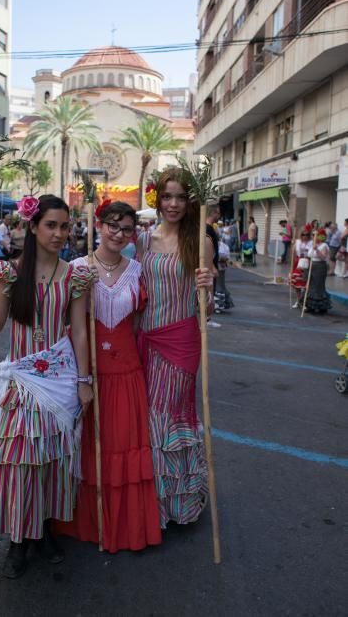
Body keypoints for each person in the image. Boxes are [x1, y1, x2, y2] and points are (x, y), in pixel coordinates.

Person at [0, 194, 93, 579]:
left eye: (64, 226)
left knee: (53, 460)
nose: (59, 233)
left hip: (61, 381)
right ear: (33, 227)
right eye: (51, 225)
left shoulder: (75, 276)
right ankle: (19, 540)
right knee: (19, 460)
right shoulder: (7, 272)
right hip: (19, 383)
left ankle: (46, 531)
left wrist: (85, 382)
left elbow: (81, 331)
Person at [59, 201, 162, 553]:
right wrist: (82, 379)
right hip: (91, 374)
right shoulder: (76, 268)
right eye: (112, 226)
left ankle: (125, 527)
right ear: (98, 225)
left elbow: (138, 323)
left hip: (128, 374)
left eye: (127, 229)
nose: (119, 234)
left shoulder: (139, 271)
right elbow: (69, 327)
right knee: (92, 447)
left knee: (123, 447)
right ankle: (91, 522)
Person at [136, 167, 214, 529]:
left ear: (190, 201)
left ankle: (176, 505)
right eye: (167, 196)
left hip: (181, 339)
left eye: (181, 197)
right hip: (145, 339)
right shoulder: (142, 240)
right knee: (148, 417)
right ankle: (151, 502)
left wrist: (207, 286)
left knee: (168, 417)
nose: (173, 204)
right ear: (157, 197)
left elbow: (208, 307)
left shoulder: (200, 241)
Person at [306, 228, 332, 314]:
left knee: (318, 286)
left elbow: (323, 257)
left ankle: (321, 307)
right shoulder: (312, 244)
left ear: (320, 237)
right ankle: (311, 306)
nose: (313, 237)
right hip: (312, 266)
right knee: (311, 286)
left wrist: (316, 249)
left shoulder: (324, 246)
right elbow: (309, 255)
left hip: (320, 267)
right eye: (313, 235)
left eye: (315, 235)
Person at [289, 228, 311, 308]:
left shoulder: (311, 243)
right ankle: (298, 301)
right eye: (303, 234)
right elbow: (293, 254)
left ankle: (304, 302)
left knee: (306, 284)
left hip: (307, 262)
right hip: (298, 262)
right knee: (296, 283)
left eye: (307, 234)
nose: (305, 236)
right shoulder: (297, 242)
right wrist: (293, 246)